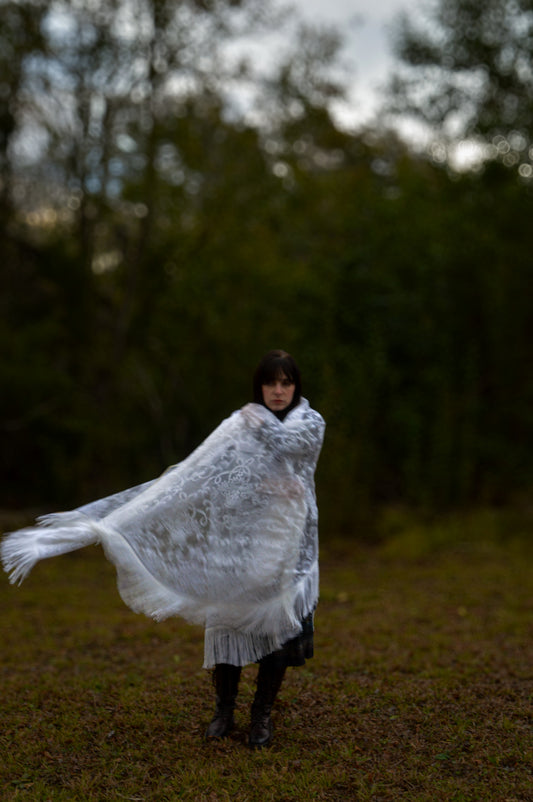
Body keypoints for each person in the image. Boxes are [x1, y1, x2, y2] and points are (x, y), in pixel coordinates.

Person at [1, 350, 325, 748]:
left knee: (275, 627)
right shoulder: (238, 426)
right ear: (259, 386)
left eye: (285, 383)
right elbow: (209, 475)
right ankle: (224, 710)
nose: (278, 391)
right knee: (227, 621)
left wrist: (258, 444)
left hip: (288, 543)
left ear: (296, 387)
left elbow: (295, 460)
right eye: (271, 383)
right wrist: (259, 482)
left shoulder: (309, 422)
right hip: (239, 542)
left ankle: (261, 716)